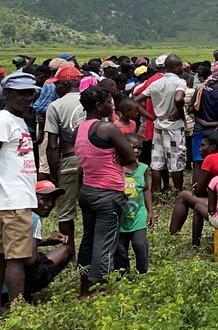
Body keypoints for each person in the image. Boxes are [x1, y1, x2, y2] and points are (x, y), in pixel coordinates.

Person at [74, 85, 139, 297]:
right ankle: (98, 292)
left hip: (88, 191)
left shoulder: (80, 129)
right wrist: (121, 154)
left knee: (88, 241)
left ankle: (84, 290)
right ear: (98, 106)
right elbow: (130, 157)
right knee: (105, 245)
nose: (113, 105)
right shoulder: (107, 129)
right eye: (109, 103)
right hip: (108, 193)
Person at [0, 74, 40, 311]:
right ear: (7, 94)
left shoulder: (17, 119)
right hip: (13, 198)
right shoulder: (3, 120)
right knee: (16, 257)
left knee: (2, 255)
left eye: (30, 93)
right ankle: (18, 309)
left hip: (14, 197)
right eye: (21, 93)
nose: (28, 98)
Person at [0, 181, 72, 306]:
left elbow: (14, 244)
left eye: (53, 200)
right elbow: (30, 260)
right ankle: (21, 295)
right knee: (66, 250)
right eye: (44, 199)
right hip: (10, 285)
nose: (50, 204)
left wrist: (45, 241)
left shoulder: (9, 212)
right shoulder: (33, 217)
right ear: (31, 198)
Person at [43, 66, 85, 247]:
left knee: (66, 212)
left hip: (69, 158)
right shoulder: (93, 99)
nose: (55, 88)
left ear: (66, 84)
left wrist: (53, 176)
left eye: (58, 84)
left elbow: (52, 146)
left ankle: (69, 254)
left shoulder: (56, 105)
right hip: (93, 160)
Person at [135, 54, 188, 194]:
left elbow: (136, 100)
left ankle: (157, 194)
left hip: (158, 124)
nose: (182, 69)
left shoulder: (155, 83)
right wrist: (180, 112)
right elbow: (178, 98)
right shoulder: (179, 82)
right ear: (175, 67)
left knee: (157, 162)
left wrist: (151, 117)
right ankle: (177, 194)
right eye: (181, 66)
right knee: (176, 162)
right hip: (174, 126)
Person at [169, 130, 218, 247]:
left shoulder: (210, 159)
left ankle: (172, 236)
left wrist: (201, 187)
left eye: (203, 145)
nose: (200, 149)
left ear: (213, 147)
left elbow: (199, 191)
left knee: (183, 196)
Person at [113, 133, 155, 275]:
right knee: (120, 249)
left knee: (140, 244)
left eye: (139, 148)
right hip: (120, 218)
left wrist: (150, 211)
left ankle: (143, 273)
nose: (136, 151)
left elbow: (146, 189)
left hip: (138, 214)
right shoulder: (115, 168)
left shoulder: (142, 168)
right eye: (133, 147)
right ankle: (122, 275)